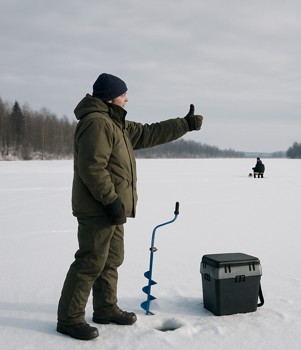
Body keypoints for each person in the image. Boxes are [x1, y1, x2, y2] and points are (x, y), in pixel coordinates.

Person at [57, 73, 203, 340]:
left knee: (111, 260)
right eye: (124, 94)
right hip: (98, 207)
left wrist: (185, 124)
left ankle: (105, 308)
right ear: (111, 97)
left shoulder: (116, 123)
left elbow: (149, 132)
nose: (127, 99)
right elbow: (92, 168)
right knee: (90, 261)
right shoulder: (97, 123)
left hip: (112, 207)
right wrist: (111, 200)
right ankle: (69, 318)